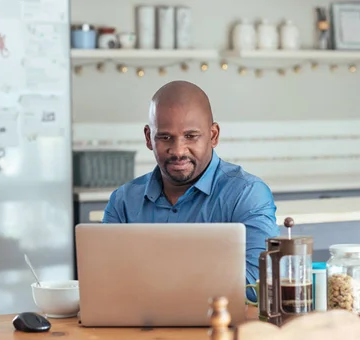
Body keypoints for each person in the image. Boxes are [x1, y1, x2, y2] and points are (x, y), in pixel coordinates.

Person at [102, 80, 280, 302]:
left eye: (191, 136)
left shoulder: (247, 194)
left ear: (213, 135)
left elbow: (257, 285)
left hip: (218, 332)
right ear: (149, 138)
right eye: (165, 137)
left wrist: (153, 281)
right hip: (139, 331)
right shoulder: (123, 201)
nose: (178, 151)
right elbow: (104, 281)